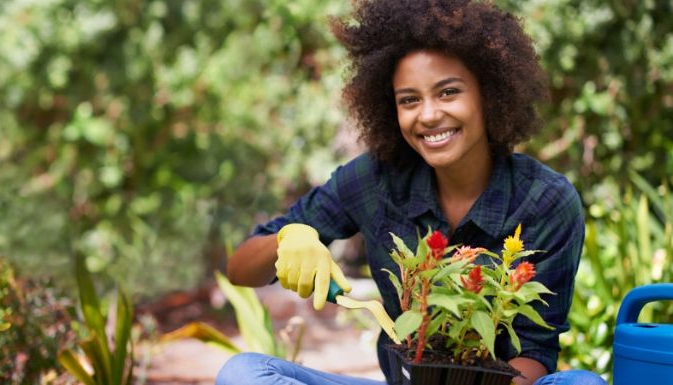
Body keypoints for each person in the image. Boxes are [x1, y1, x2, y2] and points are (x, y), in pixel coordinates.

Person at [217, 1, 606, 384]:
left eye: (448, 92)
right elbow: (241, 268)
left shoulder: (546, 200)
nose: (429, 114)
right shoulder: (375, 179)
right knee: (243, 373)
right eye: (409, 100)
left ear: (488, 95)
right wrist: (287, 238)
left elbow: (535, 355)